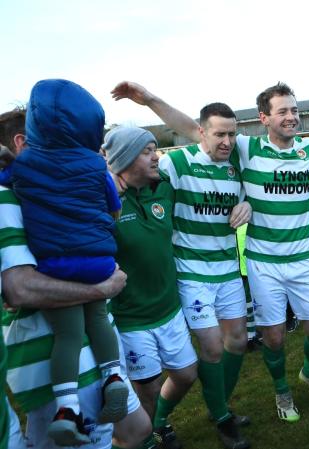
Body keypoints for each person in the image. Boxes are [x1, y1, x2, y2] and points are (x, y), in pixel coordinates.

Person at [112, 80, 309, 424]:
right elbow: (193, 131)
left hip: (266, 264)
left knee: (291, 335)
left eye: (294, 110)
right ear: (265, 118)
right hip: (228, 267)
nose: (291, 116)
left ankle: (294, 378)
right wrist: (150, 101)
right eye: (282, 111)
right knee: (233, 344)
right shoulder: (218, 155)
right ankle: (232, 408)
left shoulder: (302, 151)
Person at [0, 107, 153, 449]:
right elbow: (20, 289)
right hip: (43, 348)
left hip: (92, 343)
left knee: (137, 429)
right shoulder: (7, 199)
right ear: (23, 143)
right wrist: (102, 286)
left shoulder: (50, 190)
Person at [156, 102, 252, 448]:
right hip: (190, 271)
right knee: (211, 347)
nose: (227, 141)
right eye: (219, 134)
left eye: (232, 134)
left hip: (227, 267)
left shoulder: (237, 165)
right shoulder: (176, 163)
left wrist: (248, 205)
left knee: (238, 341)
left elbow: (248, 196)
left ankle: (217, 406)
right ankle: (209, 419)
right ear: (201, 132)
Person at [103, 126, 204, 449]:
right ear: (125, 158)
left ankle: (155, 423)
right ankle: (144, 439)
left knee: (187, 374)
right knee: (147, 390)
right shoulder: (104, 201)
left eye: (153, 148)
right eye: (147, 150)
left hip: (170, 309)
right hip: (132, 319)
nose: (156, 155)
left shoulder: (163, 188)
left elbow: (201, 136)